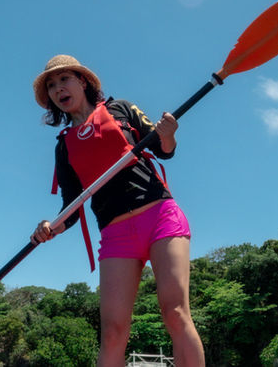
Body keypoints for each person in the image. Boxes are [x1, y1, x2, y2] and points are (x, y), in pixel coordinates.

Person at [30, 55, 205, 367]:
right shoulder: (64, 145)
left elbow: (165, 149)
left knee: (175, 313)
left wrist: (168, 132)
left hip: (159, 217)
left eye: (64, 79)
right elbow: (70, 208)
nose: (58, 89)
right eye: (52, 86)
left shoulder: (120, 109)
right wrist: (49, 226)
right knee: (112, 333)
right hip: (116, 235)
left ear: (82, 81)